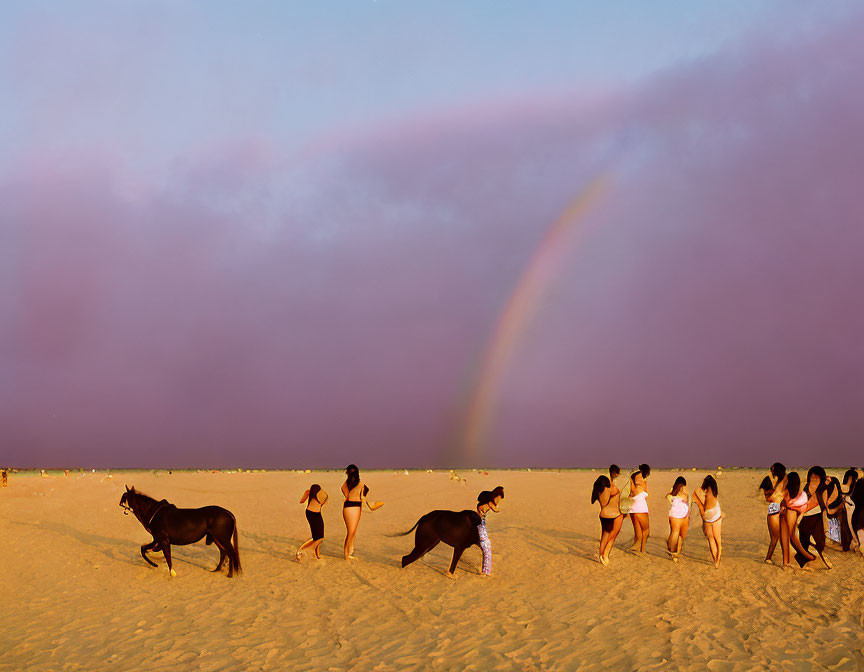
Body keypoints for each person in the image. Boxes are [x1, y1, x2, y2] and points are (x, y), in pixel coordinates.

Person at [341, 464, 383, 560]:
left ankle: (349, 550)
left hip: (347, 506)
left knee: (351, 531)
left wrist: (349, 495)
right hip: (355, 507)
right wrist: (369, 505)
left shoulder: (345, 484)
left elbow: (344, 492)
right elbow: (363, 496)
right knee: (351, 531)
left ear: (347, 473)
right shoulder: (361, 484)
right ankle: (347, 554)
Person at [794, 466, 832, 570]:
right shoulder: (805, 487)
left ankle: (816, 556)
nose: (814, 478)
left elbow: (824, 504)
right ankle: (803, 563)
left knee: (820, 541)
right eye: (812, 477)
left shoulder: (823, 487)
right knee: (804, 541)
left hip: (817, 517)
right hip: (805, 517)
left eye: (817, 477)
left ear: (821, 477)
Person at [780, 471, 816, 569]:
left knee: (789, 536)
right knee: (788, 536)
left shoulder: (788, 491)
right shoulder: (799, 492)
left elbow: (783, 500)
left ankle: (805, 557)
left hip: (788, 512)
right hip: (790, 512)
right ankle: (790, 560)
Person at [591, 466, 623, 565]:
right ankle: (605, 555)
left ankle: (601, 555)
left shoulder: (599, 491)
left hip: (603, 515)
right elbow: (605, 503)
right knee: (612, 536)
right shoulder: (609, 488)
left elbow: (603, 504)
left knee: (604, 536)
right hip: (614, 515)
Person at [692, 474, 723, 568]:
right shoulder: (713, 491)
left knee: (711, 539)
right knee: (718, 539)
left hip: (708, 516)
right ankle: (718, 559)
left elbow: (698, 495)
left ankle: (715, 560)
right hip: (715, 514)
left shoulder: (703, 491)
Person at [760, 462, 787, 564]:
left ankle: (769, 558)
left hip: (774, 510)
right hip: (775, 510)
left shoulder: (781, 482)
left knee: (775, 538)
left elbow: (771, 498)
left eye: (772, 470)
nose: (771, 472)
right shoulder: (782, 481)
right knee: (777, 537)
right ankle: (771, 558)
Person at [296, 484, 328, 561]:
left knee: (317, 536)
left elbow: (301, 501)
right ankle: (301, 551)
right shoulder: (321, 495)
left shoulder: (308, 492)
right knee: (319, 538)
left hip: (309, 513)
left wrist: (308, 495)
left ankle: (317, 554)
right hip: (316, 514)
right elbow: (322, 503)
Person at [666, 476, 690, 562]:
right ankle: (673, 552)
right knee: (676, 533)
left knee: (679, 534)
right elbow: (669, 497)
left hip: (682, 516)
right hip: (676, 516)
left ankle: (676, 551)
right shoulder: (676, 494)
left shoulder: (675, 494)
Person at [628, 464, 650, 554]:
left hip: (633, 509)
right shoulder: (641, 479)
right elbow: (638, 485)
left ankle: (638, 547)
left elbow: (632, 492)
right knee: (646, 530)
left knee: (638, 532)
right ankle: (642, 549)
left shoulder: (633, 480)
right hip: (640, 508)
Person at [475, 491, 495, 577]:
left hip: (481, 531)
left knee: (487, 549)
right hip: (481, 532)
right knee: (486, 548)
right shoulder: (481, 507)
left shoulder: (482, 506)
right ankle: (486, 571)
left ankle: (486, 570)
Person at [841, 469, 859, 551]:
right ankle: (855, 541)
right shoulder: (849, 486)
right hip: (849, 506)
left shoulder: (846, 486)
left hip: (850, 506)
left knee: (850, 525)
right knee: (850, 525)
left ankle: (856, 541)